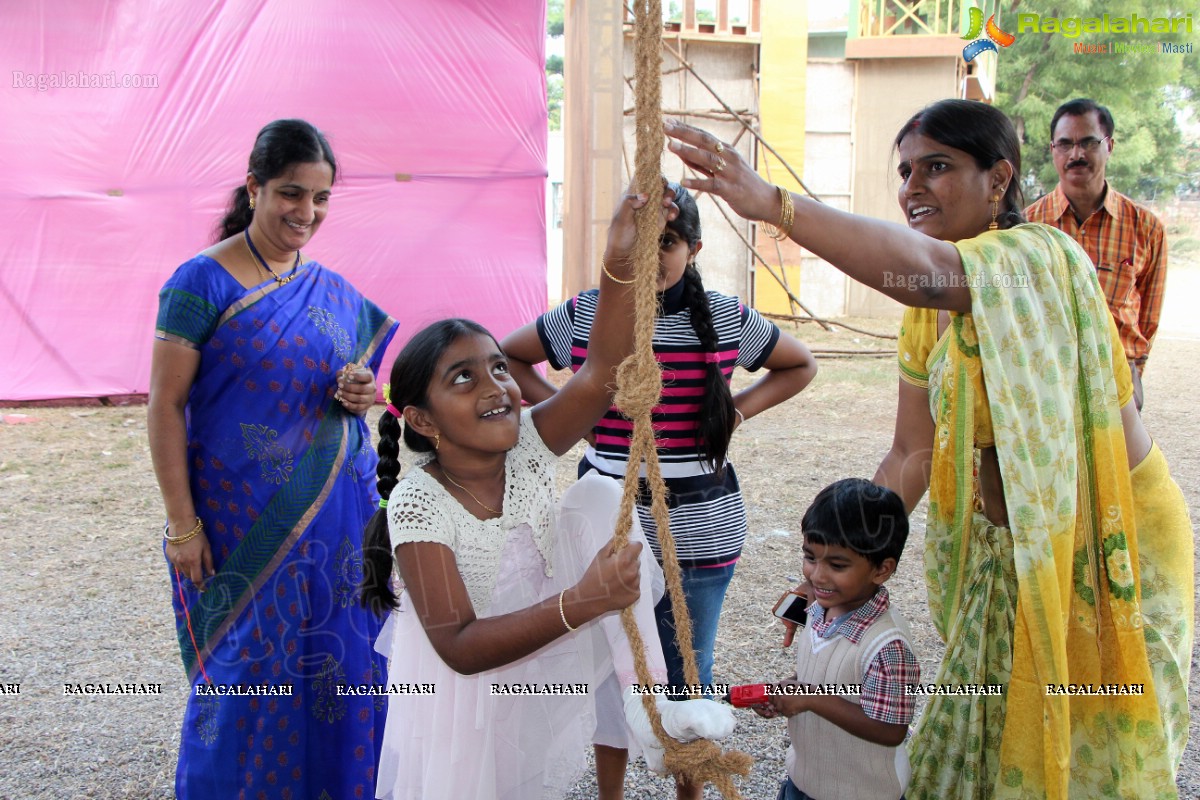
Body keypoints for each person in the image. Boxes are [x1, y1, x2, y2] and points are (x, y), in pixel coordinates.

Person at [664, 101, 1192, 799]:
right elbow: (912, 454)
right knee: (999, 741)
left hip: (1107, 543)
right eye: (906, 171)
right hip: (1012, 559)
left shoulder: (1040, 255)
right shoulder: (928, 308)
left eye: (937, 167)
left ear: (999, 178)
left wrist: (773, 204)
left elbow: (931, 269)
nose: (913, 187)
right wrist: (835, 567)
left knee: (1098, 744)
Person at [360, 188, 737, 800]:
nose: (497, 386)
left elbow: (601, 374)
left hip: (543, 650)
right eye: (464, 378)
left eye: (498, 367)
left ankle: (648, 702)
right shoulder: (418, 504)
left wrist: (618, 259)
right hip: (467, 696)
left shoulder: (529, 445)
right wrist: (582, 600)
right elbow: (458, 646)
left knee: (595, 494)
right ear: (423, 421)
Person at [501, 181, 817, 800]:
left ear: (693, 249)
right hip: (606, 520)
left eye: (666, 243)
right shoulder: (588, 313)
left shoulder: (724, 319)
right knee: (613, 669)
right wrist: (571, 412)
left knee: (687, 671)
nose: (651, 258)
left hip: (701, 526)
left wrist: (734, 413)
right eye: (639, 243)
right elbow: (509, 356)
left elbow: (799, 363)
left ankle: (689, 793)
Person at [148, 119, 399, 798]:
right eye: (291, 194)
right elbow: (165, 406)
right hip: (240, 523)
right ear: (255, 186)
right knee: (245, 675)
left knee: (343, 665)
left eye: (320, 199)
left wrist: (359, 391)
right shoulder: (199, 283)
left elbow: (355, 390)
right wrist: (182, 524)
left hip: (342, 525)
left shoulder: (331, 290)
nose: (306, 214)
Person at [752, 478, 917, 800]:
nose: (817, 576)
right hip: (803, 781)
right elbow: (823, 677)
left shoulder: (888, 647)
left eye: (837, 565)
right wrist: (789, 690)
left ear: (881, 570)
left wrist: (811, 699)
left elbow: (890, 729)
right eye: (811, 558)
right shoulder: (818, 609)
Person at [1024, 98, 1168, 410]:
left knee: (1120, 461)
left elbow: (1149, 317)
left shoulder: (1146, 228)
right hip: (1045, 380)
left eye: (1088, 142)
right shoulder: (1026, 226)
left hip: (1117, 381)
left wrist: (1132, 371)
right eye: (1065, 144)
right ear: (1053, 151)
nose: (1076, 154)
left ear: (1109, 146)